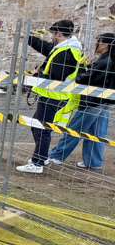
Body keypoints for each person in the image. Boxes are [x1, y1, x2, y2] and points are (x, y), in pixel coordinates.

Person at [16, 20, 85, 174]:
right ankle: (42, 156)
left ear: (59, 34)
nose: (52, 37)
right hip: (50, 95)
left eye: (53, 34)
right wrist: (29, 38)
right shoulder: (64, 48)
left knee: (42, 129)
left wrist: (38, 74)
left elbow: (57, 75)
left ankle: (37, 162)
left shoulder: (67, 51)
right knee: (37, 126)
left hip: (54, 96)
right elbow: (47, 49)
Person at [49, 33, 115, 171]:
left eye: (99, 41)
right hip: (104, 102)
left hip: (91, 102)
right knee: (97, 134)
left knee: (74, 130)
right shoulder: (110, 60)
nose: (97, 44)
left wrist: (84, 68)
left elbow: (86, 79)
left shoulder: (104, 61)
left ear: (106, 45)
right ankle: (93, 162)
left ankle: (57, 156)